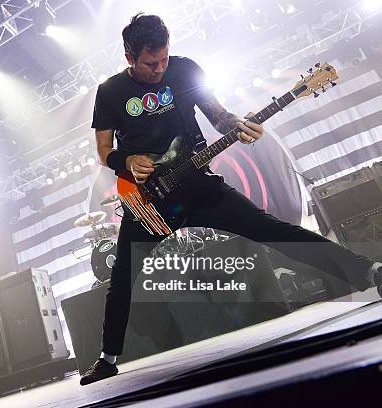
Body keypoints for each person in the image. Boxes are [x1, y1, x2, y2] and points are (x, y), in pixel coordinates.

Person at [80, 13, 382, 386]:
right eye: (150, 63)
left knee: (274, 231)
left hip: (198, 185)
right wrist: (124, 160)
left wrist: (242, 125)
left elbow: (220, 117)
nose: (160, 68)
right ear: (129, 57)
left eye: (163, 58)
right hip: (149, 201)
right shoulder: (110, 92)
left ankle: (369, 272)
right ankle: (107, 359)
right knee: (123, 277)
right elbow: (103, 149)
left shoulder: (185, 70)